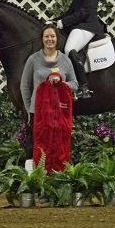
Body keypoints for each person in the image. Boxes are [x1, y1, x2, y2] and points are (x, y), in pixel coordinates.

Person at [20, 24, 78, 172]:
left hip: (59, 112)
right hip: (38, 112)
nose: (50, 39)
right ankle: (32, 180)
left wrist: (62, 83)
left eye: (52, 36)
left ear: (57, 39)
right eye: (46, 36)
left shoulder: (65, 60)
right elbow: (24, 86)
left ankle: (56, 176)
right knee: (35, 145)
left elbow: (75, 84)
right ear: (42, 39)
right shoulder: (33, 59)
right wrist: (29, 109)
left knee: (58, 145)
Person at [55, 0, 104, 99]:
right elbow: (73, 9)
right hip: (78, 25)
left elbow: (86, 12)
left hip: (87, 25)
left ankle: (83, 87)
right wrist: (56, 20)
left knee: (70, 48)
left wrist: (64, 22)